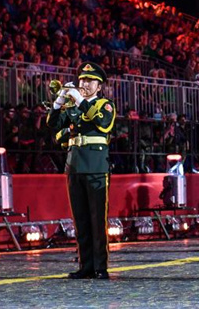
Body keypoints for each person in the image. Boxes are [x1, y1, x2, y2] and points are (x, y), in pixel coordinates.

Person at [47, 62, 116, 280]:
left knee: (97, 219)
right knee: (81, 219)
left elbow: (103, 124)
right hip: (74, 165)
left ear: (99, 86)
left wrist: (79, 100)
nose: (84, 84)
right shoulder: (73, 106)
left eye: (90, 81)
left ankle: (100, 266)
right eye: (82, 80)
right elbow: (53, 125)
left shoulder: (105, 105)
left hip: (95, 165)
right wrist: (58, 102)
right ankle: (86, 265)